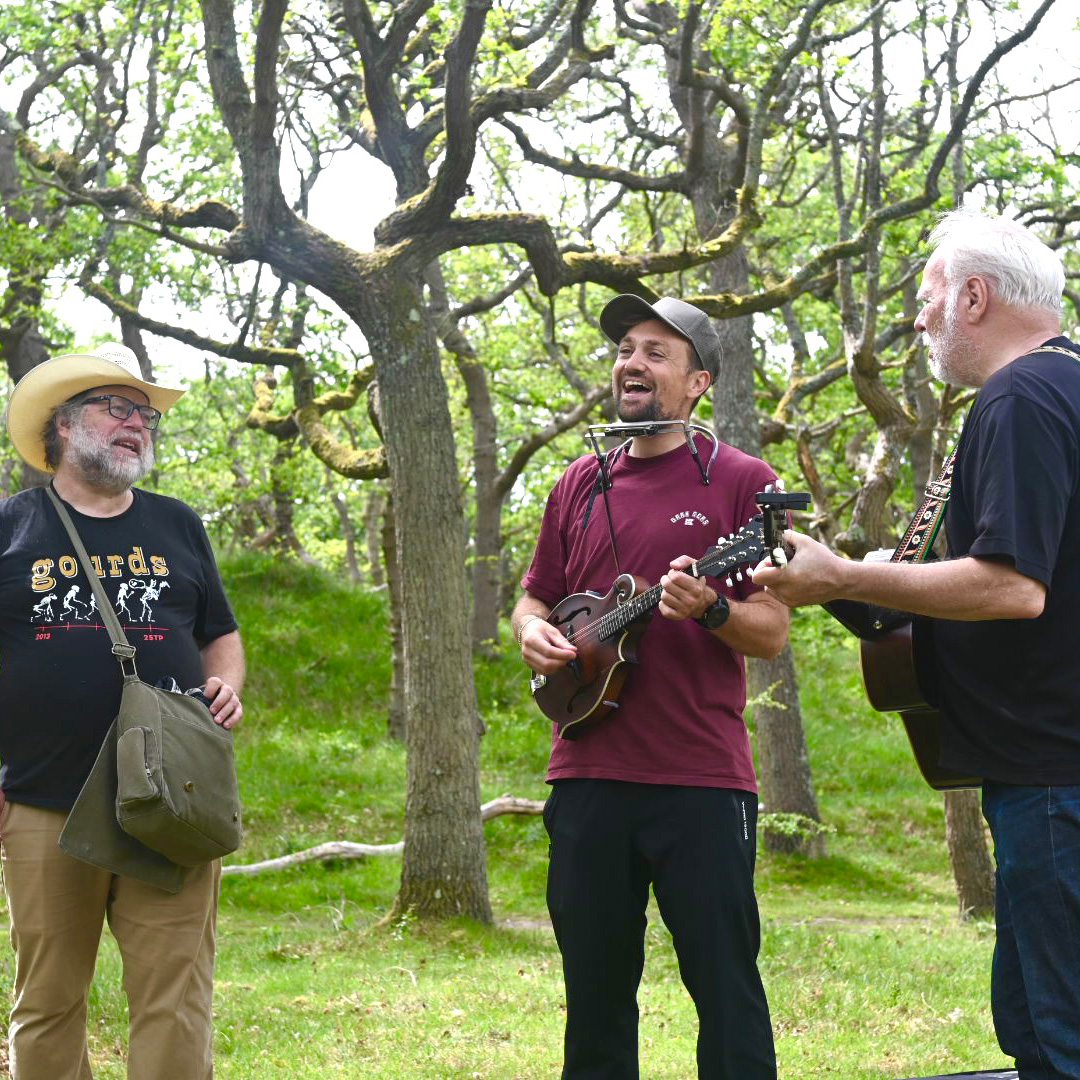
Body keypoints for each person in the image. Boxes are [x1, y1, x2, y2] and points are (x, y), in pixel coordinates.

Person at [754, 210, 1080, 1080]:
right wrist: (837, 582)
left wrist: (850, 579)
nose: (920, 319)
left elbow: (1013, 586)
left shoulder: (1018, 398)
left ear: (975, 296)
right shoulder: (1066, 388)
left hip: (1052, 776)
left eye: (930, 298)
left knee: (1056, 1037)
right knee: (1038, 1025)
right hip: (1049, 769)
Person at [512, 295, 790, 1079]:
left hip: (700, 781)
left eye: (655, 353)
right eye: (626, 350)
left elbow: (770, 632)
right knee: (594, 996)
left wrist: (712, 610)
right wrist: (530, 630)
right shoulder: (578, 481)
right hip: (587, 774)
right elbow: (537, 595)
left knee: (726, 990)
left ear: (698, 382)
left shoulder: (744, 482)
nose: (631, 364)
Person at [0, 342, 245, 1079]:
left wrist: (227, 683)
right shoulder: (11, 525)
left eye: (144, 415)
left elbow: (220, 635)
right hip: (45, 799)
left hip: (174, 798)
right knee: (47, 999)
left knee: (176, 998)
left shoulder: (178, 525)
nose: (137, 423)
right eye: (118, 408)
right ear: (64, 427)